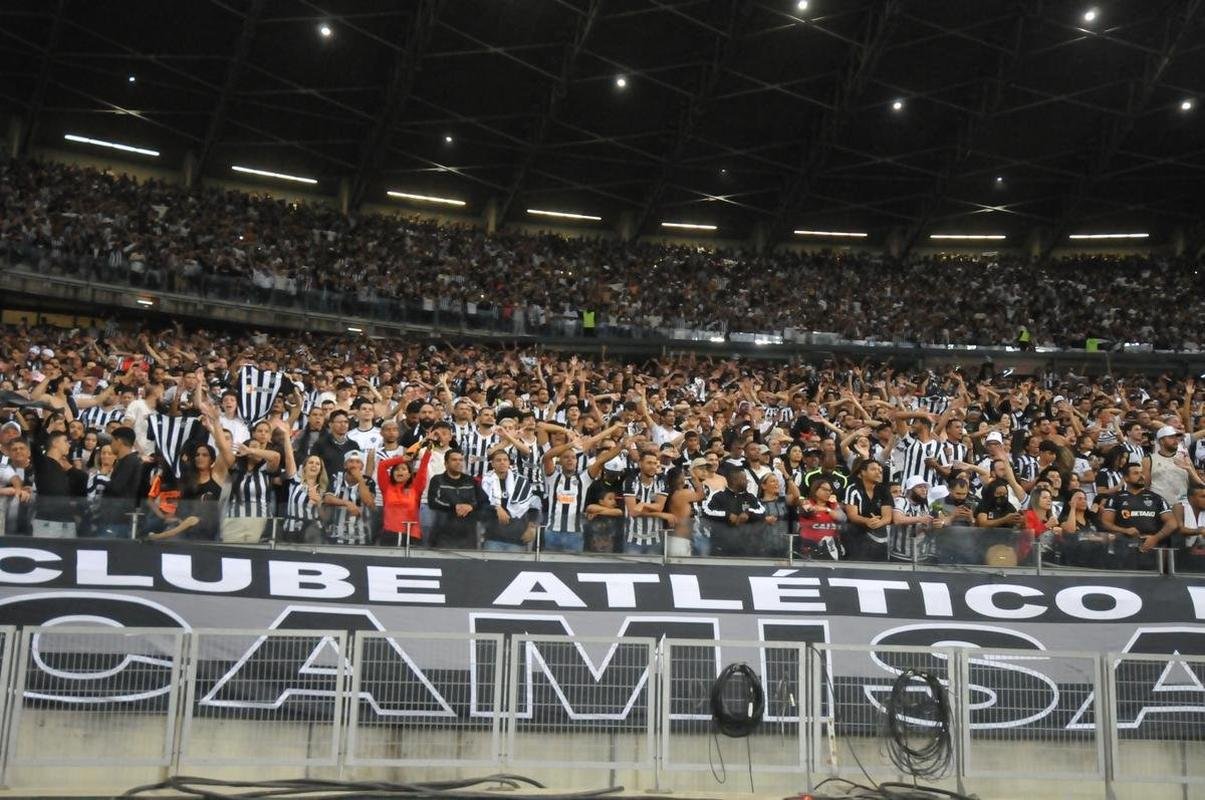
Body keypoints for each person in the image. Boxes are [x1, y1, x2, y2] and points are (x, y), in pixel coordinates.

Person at [1100, 462, 1177, 570]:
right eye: (1136, 473)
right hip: (1123, 548)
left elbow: (1172, 523)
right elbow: (1106, 522)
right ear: (1126, 478)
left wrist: (1155, 538)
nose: (1141, 476)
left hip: (1151, 549)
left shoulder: (1157, 498)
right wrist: (1124, 531)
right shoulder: (1115, 498)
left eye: (1142, 473)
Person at [699, 466, 767, 557]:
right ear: (734, 481)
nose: (747, 481)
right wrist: (727, 515)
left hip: (746, 549)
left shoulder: (750, 497)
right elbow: (706, 511)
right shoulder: (719, 495)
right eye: (744, 479)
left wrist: (748, 513)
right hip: (721, 548)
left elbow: (762, 511)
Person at [426, 450, 488, 549]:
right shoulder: (437, 480)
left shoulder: (470, 480)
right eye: (454, 460)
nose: (458, 462)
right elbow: (432, 502)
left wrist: (471, 506)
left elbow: (483, 500)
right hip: (443, 535)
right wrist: (454, 507)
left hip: (468, 535)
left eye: (461, 460)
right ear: (446, 463)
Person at [480, 449, 539, 552]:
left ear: (509, 463)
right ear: (492, 464)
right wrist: (496, 507)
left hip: (517, 539)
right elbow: (480, 507)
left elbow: (533, 507)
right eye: (498, 460)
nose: (502, 462)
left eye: (505, 460)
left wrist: (532, 527)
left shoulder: (521, 482)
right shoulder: (486, 483)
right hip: (493, 538)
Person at [31, 430, 86, 537]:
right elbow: (34, 444)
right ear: (55, 443)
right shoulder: (43, 463)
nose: (68, 445)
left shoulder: (65, 469)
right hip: (47, 521)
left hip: (67, 522)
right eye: (65, 441)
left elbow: (84, 480)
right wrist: (47, 429)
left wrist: (70, 468)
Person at [377, 444, 432, 546]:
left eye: (403, 469)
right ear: (392, 473)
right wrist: (403, 458)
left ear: (409, 474)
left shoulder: (416, 488)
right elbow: (382, 465)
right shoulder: (386, 487)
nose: (400, 471)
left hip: (411, 535)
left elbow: (423, 466)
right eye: (397, 469)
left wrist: (428, 450)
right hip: (389, 534)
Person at [841, 458, 893, 561]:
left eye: (880, 470)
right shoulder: (852, 489)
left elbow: (887, 517)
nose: (878, 472)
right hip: (856, 536)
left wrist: (878, 523)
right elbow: (852, 515)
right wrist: (867, 521)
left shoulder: (884, 490)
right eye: (873, 469)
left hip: (879, 537)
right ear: (863, 472)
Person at [95, 426, 142, 538]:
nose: (111, 445)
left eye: (112, 441)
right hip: (114, 518)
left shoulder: (130, 461)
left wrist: (100, 478)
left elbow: (116, 487)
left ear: (119, 441)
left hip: (117, 520)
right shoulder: (125, 461)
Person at [622, 451, 669, 555]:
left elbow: (659, 507)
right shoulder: (630, 481)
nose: (652, 466)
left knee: (654, 570)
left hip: (655, 539)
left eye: (654, 463)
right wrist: (661, 514)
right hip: (632, 539)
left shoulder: (661, 481)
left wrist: (643, 504)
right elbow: (633, 512)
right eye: (649, 463)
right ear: (640, 463)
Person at [796, 478, 846, 560]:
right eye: (825, 490)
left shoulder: (833, 505)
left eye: (830, 491)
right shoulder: (806, 502)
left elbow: (842, 517)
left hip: (832, 548)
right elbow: (808, 510)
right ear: (815, 490)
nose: (828, 493)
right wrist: (817, 508)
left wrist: (827, 509)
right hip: (811, 548)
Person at [283, 454, 328, 544]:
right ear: (304, 467)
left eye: (317, 464)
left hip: (313, 533)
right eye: (311, 462)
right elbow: (289, 457)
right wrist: (287, 439)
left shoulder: (323, 489)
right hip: (291, 530)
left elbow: (325, 518)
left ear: (320, 470)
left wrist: (318, 502)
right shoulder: (296, 481)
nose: (314, 465)